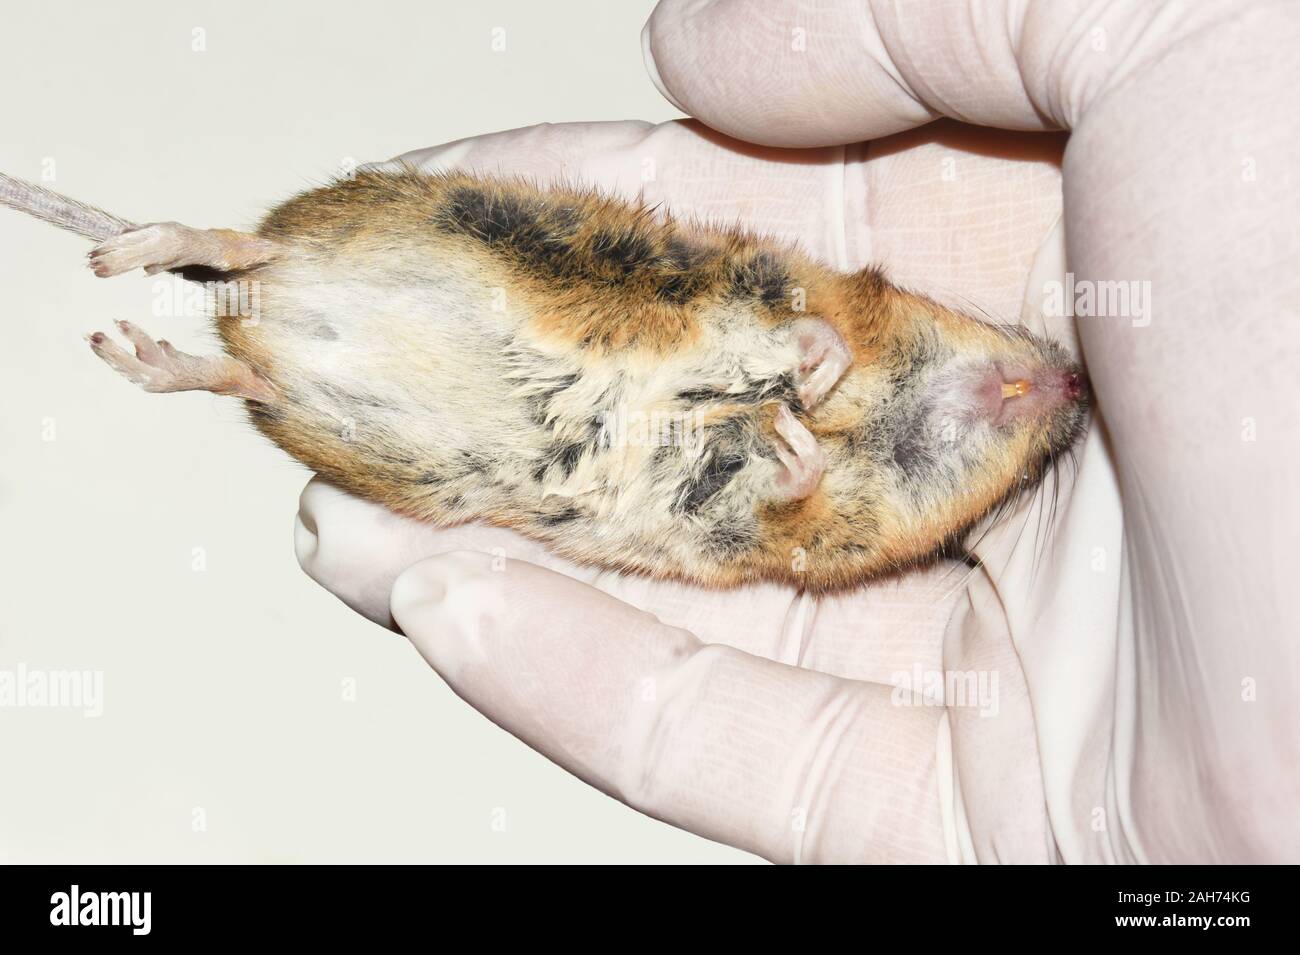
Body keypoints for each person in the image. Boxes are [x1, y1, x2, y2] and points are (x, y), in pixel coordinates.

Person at [293, 0, 1300, 863]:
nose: (1039, 385)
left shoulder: (882, 517)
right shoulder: (878, 331)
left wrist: (1213, 882)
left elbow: (811, 533)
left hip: (690, 471)